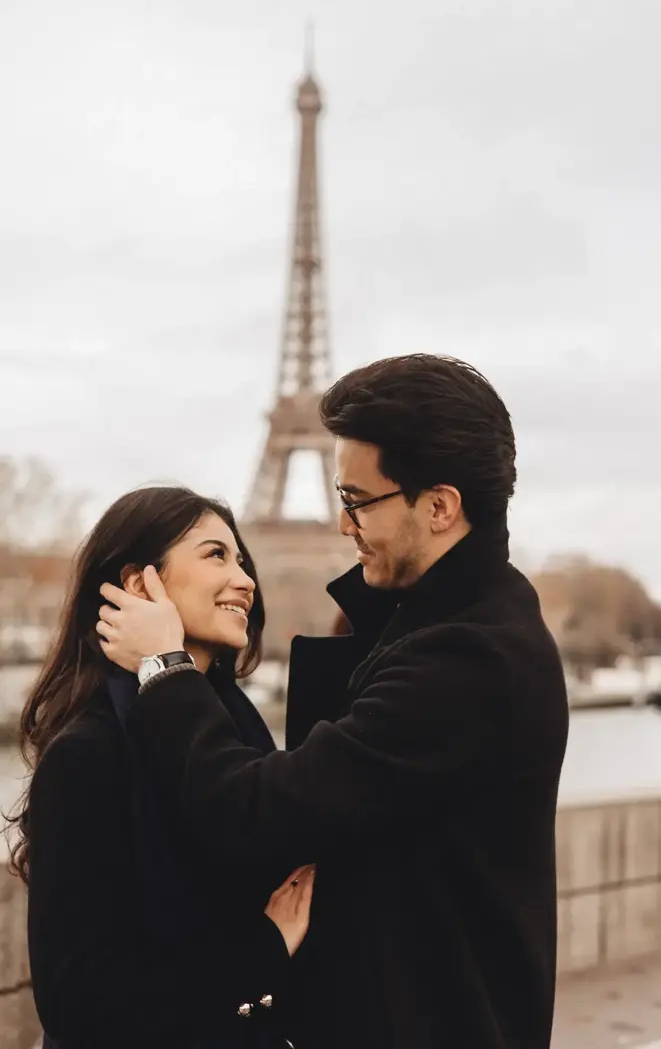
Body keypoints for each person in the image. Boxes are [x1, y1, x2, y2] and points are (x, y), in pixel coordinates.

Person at [99, 354, 570, 1049]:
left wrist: (165, 668)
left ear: (439, 506)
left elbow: (258, 813)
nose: (342, 526)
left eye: (355, 501)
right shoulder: (464, 626)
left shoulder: (468, 659)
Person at [9, 487, 314, 1049]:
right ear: (139, 584)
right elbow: (80, 1000)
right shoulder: (89, 754)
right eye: (215, 555)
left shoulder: (236, 740)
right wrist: (263, 952)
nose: (246, 579)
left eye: (242, 559)